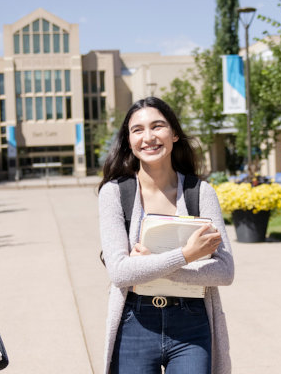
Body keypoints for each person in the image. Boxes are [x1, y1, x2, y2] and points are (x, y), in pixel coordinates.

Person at [97, 97, 234, 374]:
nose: (148, 137)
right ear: (129, 140)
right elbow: (121, 273)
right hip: (134, 322)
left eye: (157, 126)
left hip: (191, 323)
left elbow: (225, 271)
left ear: (174, 134)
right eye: (138, 130)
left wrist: (151, 266)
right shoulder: (114, 193)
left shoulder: (200, 193)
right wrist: (186, 255)